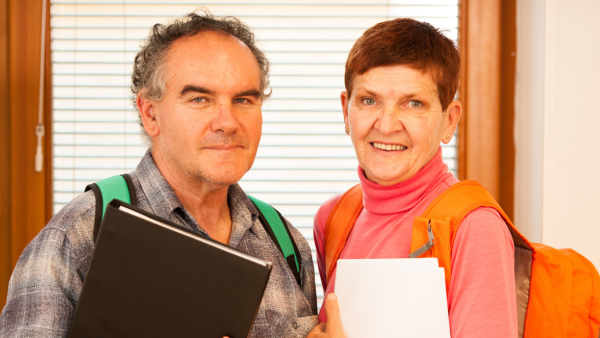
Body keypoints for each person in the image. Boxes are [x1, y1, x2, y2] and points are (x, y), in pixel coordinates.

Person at [0, 11, 318, 337]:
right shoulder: (79, 237)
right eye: (200, 98)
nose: (228, 122)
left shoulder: (286, 244)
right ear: (150, 114)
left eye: (243, 99)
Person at [310, 18, 517, 337]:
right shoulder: (334, 218)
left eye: (413, 103)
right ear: (345, 111)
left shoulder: (473, 229)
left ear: (449, 120)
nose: (388, 124)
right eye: (369, 100)